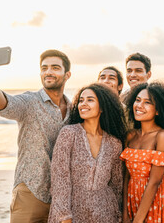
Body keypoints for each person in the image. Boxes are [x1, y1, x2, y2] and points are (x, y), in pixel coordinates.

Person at [0, 48, 72, 222]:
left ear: (67, 75)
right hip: (31, 191)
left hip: (63, 197)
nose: (48, 72)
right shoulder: (30, 102)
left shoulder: (74, 109)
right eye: (44, 67)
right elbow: (3, 103)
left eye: (55, 67)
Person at [48, 83, 127, 223]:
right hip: (72, 211)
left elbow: (116, 184)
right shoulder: (69, 134)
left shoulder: (114, 143)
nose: (83, 104)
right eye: (81, 100)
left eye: (90, 100)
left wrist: (118, 215)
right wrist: (64, 216)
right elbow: (60, 179)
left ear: (102, 107)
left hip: (105, 213)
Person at [120, 82, 164, 223]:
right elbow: (126, 178)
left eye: (147, 102)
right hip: (132, 200)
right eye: (137, 100)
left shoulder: (163, 136)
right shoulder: (130, 136)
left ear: (158, 110)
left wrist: (138, 220)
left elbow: (155, 181)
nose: (139, 105)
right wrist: (125, 215)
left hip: (157, 202)